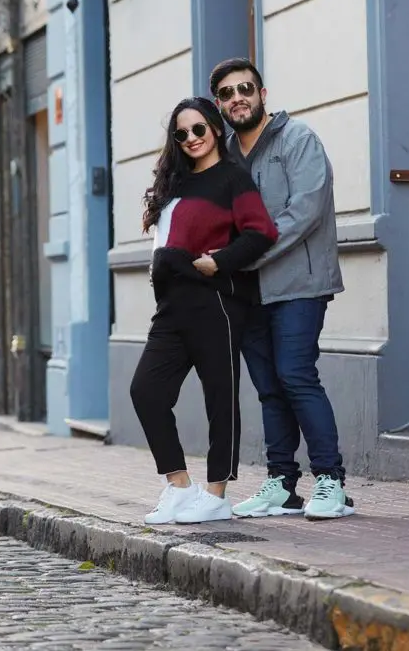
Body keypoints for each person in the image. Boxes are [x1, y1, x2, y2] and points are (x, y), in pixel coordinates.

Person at [208, 57, 354, 520]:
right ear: (220, 104)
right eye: (228, 93)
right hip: (247, 291)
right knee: (269, 387)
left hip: (299, 283)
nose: (238, 98)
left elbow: (305, 211)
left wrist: (242, 254)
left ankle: (330, 481)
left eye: (246, 88)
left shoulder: (298, 139)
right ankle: (282, 485)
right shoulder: (225, 155)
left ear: (262, 93)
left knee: (296, 376)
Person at [130, 97, 277, 525]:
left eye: (198, 129)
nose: (191, 139)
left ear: (215, 128)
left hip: (214, 302)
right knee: (146, 391)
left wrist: (221, 261)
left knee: (220, 398)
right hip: (171, 308)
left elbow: (261, 232)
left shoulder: (232, 178)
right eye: (182, 133)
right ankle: (179, 487)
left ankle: (216, 494)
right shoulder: (174, 183)